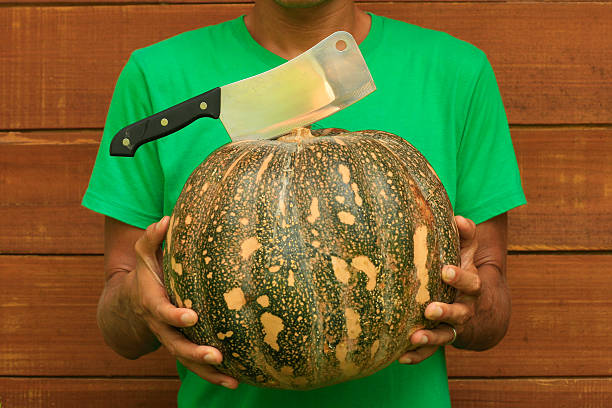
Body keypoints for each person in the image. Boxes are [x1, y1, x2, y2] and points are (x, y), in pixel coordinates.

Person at [82, 0, 526, 406]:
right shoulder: (154, 73)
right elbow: (120, 327)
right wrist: (140, 304)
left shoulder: (456, 72)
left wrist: (468, 298)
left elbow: (491, 311)